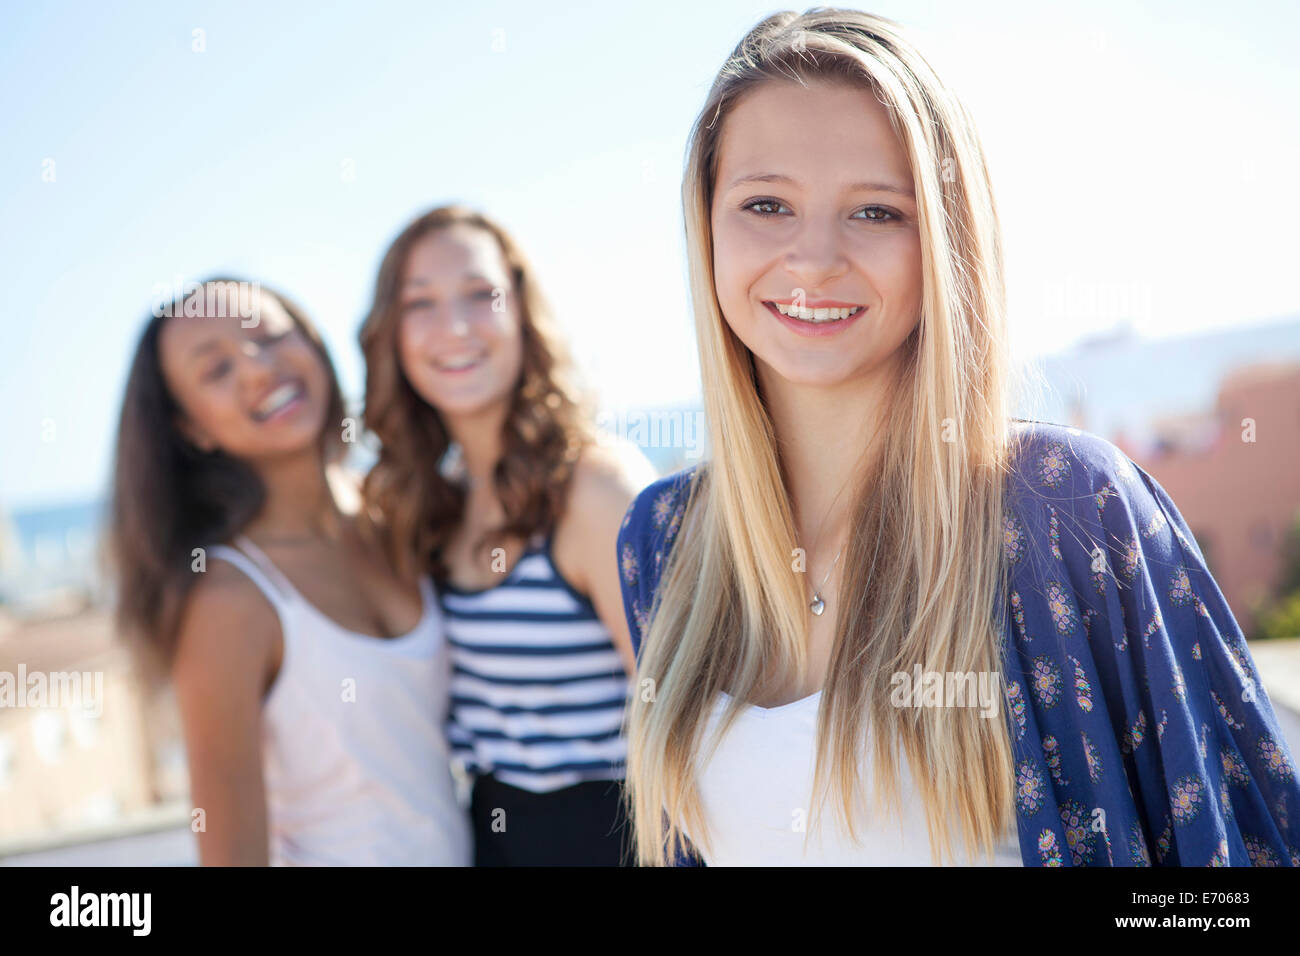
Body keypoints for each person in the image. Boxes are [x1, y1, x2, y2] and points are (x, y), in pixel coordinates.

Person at [616, 9, 1300, 866]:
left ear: (945, 239)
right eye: (766, 204)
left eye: (875, 212)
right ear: (705, 224)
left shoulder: (1066, 505)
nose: (814, 257)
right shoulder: (663, 540)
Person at [110, 277, 471, 865]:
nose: (257, 368)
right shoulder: (229, 600)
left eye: (270, 335)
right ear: (192, 429)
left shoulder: (396, 515)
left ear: (312, 339)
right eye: (216, 370)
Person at [359, 206, 655, 865]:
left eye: (478, 294)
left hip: (611, 838)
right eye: (420, 303)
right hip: (490, 838)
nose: (455, 327)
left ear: (522, 310)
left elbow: (687, 718)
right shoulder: (430, 504)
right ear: (393, 335)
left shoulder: (596, 489)